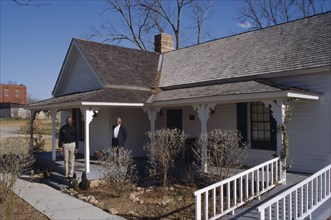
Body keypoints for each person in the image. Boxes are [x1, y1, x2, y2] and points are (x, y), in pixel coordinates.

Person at [58, 116, 79, 182]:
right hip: (65, 145)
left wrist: (77, 147)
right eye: (67, 120)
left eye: (70, 120)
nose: (68, 121)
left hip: (72, 145)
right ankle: (66, 175)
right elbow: (60, 138)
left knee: (71, 161)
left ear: (72, 121)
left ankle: (71, 175)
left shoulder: (75, 128)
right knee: (66, 161)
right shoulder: (62, 128)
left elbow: (77, 138)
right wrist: (60, 147)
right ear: (66, 121)